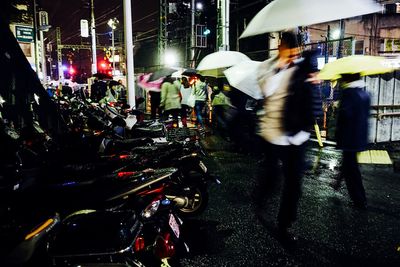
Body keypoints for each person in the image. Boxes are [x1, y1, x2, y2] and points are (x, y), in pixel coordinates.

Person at [253, 31, 314, 246]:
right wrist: (282, 66)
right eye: (288, 48)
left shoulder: (303, 67)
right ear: (280, 47)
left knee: (294, 183)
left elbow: (309, 95)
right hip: (272, 133)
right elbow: (267, 90)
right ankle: (259, 198)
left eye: (295, 48)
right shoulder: (266, 68)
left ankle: (285, 224)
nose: (292, 52)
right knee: (272, 177)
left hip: (296, 136)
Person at [332, 73, 370, 209]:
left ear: (348, 78)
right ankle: (338, 184)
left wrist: (339, 109)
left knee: (351, 171)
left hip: (348, 138)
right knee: (351, 166)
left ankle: (359, 201)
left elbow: (345, 116)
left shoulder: (349, 94)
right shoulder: (365, 94)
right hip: (359, 138)